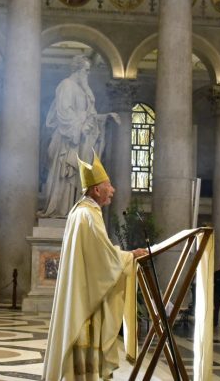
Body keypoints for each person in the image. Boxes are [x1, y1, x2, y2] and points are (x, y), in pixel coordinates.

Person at [43, 152, 148, 380]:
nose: (113, 190)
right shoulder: (88, 215)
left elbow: (99, 253)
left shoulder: (78, 212)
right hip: (85, 298)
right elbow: (104, 256)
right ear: (96, 190)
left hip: (81, 290)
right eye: (108, 185)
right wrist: (130, 255)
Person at [38, 55, 121, 218]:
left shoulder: (83, 90)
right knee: (65, 177)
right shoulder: (67, 85)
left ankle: (71, 211)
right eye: (86, 70)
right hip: (67, 141)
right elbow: (64, 113)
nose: (88, 75)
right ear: (77, 70)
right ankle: (60, 210)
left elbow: (90, 115)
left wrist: (106, 117)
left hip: (80, 141)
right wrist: (81, 126)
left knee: (79, 178)